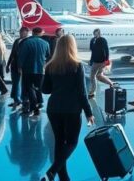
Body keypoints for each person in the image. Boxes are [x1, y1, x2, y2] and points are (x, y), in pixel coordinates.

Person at [41, 34, 95, 181]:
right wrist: (89, 113)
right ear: (73, 46)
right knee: (72, 142)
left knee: (59, 141)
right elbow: (82, 93)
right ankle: (52, 172)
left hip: (54, 109)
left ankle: (63, 178)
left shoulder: (51, 66)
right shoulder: (77, 66)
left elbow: (45, 90)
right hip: (71, 109)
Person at [19, 27, 51, 116]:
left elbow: (22, 56)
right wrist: (45, 65)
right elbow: (48, 56)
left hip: (28, 70)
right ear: (40, 33)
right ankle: (39, 103)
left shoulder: (26, 42)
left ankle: (34, 108)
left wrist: (20, 67)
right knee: (37, 88)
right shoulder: (45, 43)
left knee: (29, 89)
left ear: (33, 33)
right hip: (41, 71)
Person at [7, 26, 30, 109]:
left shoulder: (28, 41)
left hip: (22, 66)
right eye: (20, 32)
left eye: (22, 32)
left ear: (27, 33)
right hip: (14, 65)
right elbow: (12, 53)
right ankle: (15, 99)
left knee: (18, 83)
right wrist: (8, 64)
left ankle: (18, 100)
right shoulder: (16, 41)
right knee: (15, 83)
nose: (20, 33)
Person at [87, 28, 113, 99]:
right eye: (94, 32)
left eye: (96, 32)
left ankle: (111, 84)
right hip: (95, 61)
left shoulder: (103, 40)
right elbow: (92, 51)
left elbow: (106, 49)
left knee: (96, 75)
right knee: (94, 76)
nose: (95, 34)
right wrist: (91, 60)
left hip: (102, 61)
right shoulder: (92, 40)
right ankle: (93, 92)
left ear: (99, 33)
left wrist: (106, 60)